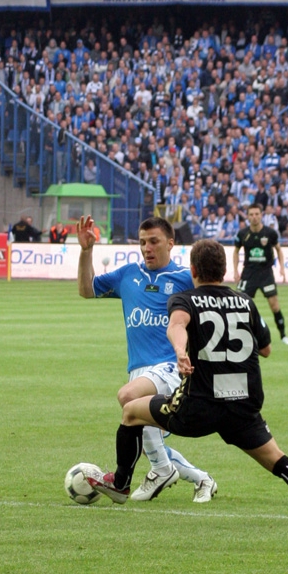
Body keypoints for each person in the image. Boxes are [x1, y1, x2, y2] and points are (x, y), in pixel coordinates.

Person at [88, 239, 288, 526]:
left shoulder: (185, 299)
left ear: (192, 270)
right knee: (278, 460)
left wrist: (180, 351)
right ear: (226, 269)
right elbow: (266, 349)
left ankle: (120, 483)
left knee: (130, 410)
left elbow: (176, 325)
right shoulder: (245, 301)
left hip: (199, 406)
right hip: (242, 405)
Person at [77, 215, 216, 503]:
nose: (147, 248)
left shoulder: (185, 279)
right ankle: (199, 478)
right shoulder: (128, 274)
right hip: (139, 369)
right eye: (142, 242)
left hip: (171, 367)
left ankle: (154, 472)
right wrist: (86, 251)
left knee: (128, 397)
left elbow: (213, 306)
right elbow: (86, 290)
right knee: (148, 431)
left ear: (170, 243)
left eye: (153, 241)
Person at [232, 204, 288, 345]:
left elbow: (279, 250)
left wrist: (282, 268)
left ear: (261, 215)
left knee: (274, 305)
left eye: (257, 214)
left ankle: (283, 335)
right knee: (239, 305)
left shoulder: (270, 233)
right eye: (251, 214)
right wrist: (235, 270)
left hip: (266, 273)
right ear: (247, 217)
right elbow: (235, 251)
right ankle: (236, 336)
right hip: (248, 273)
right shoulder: (243, 234)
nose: (254, 217)